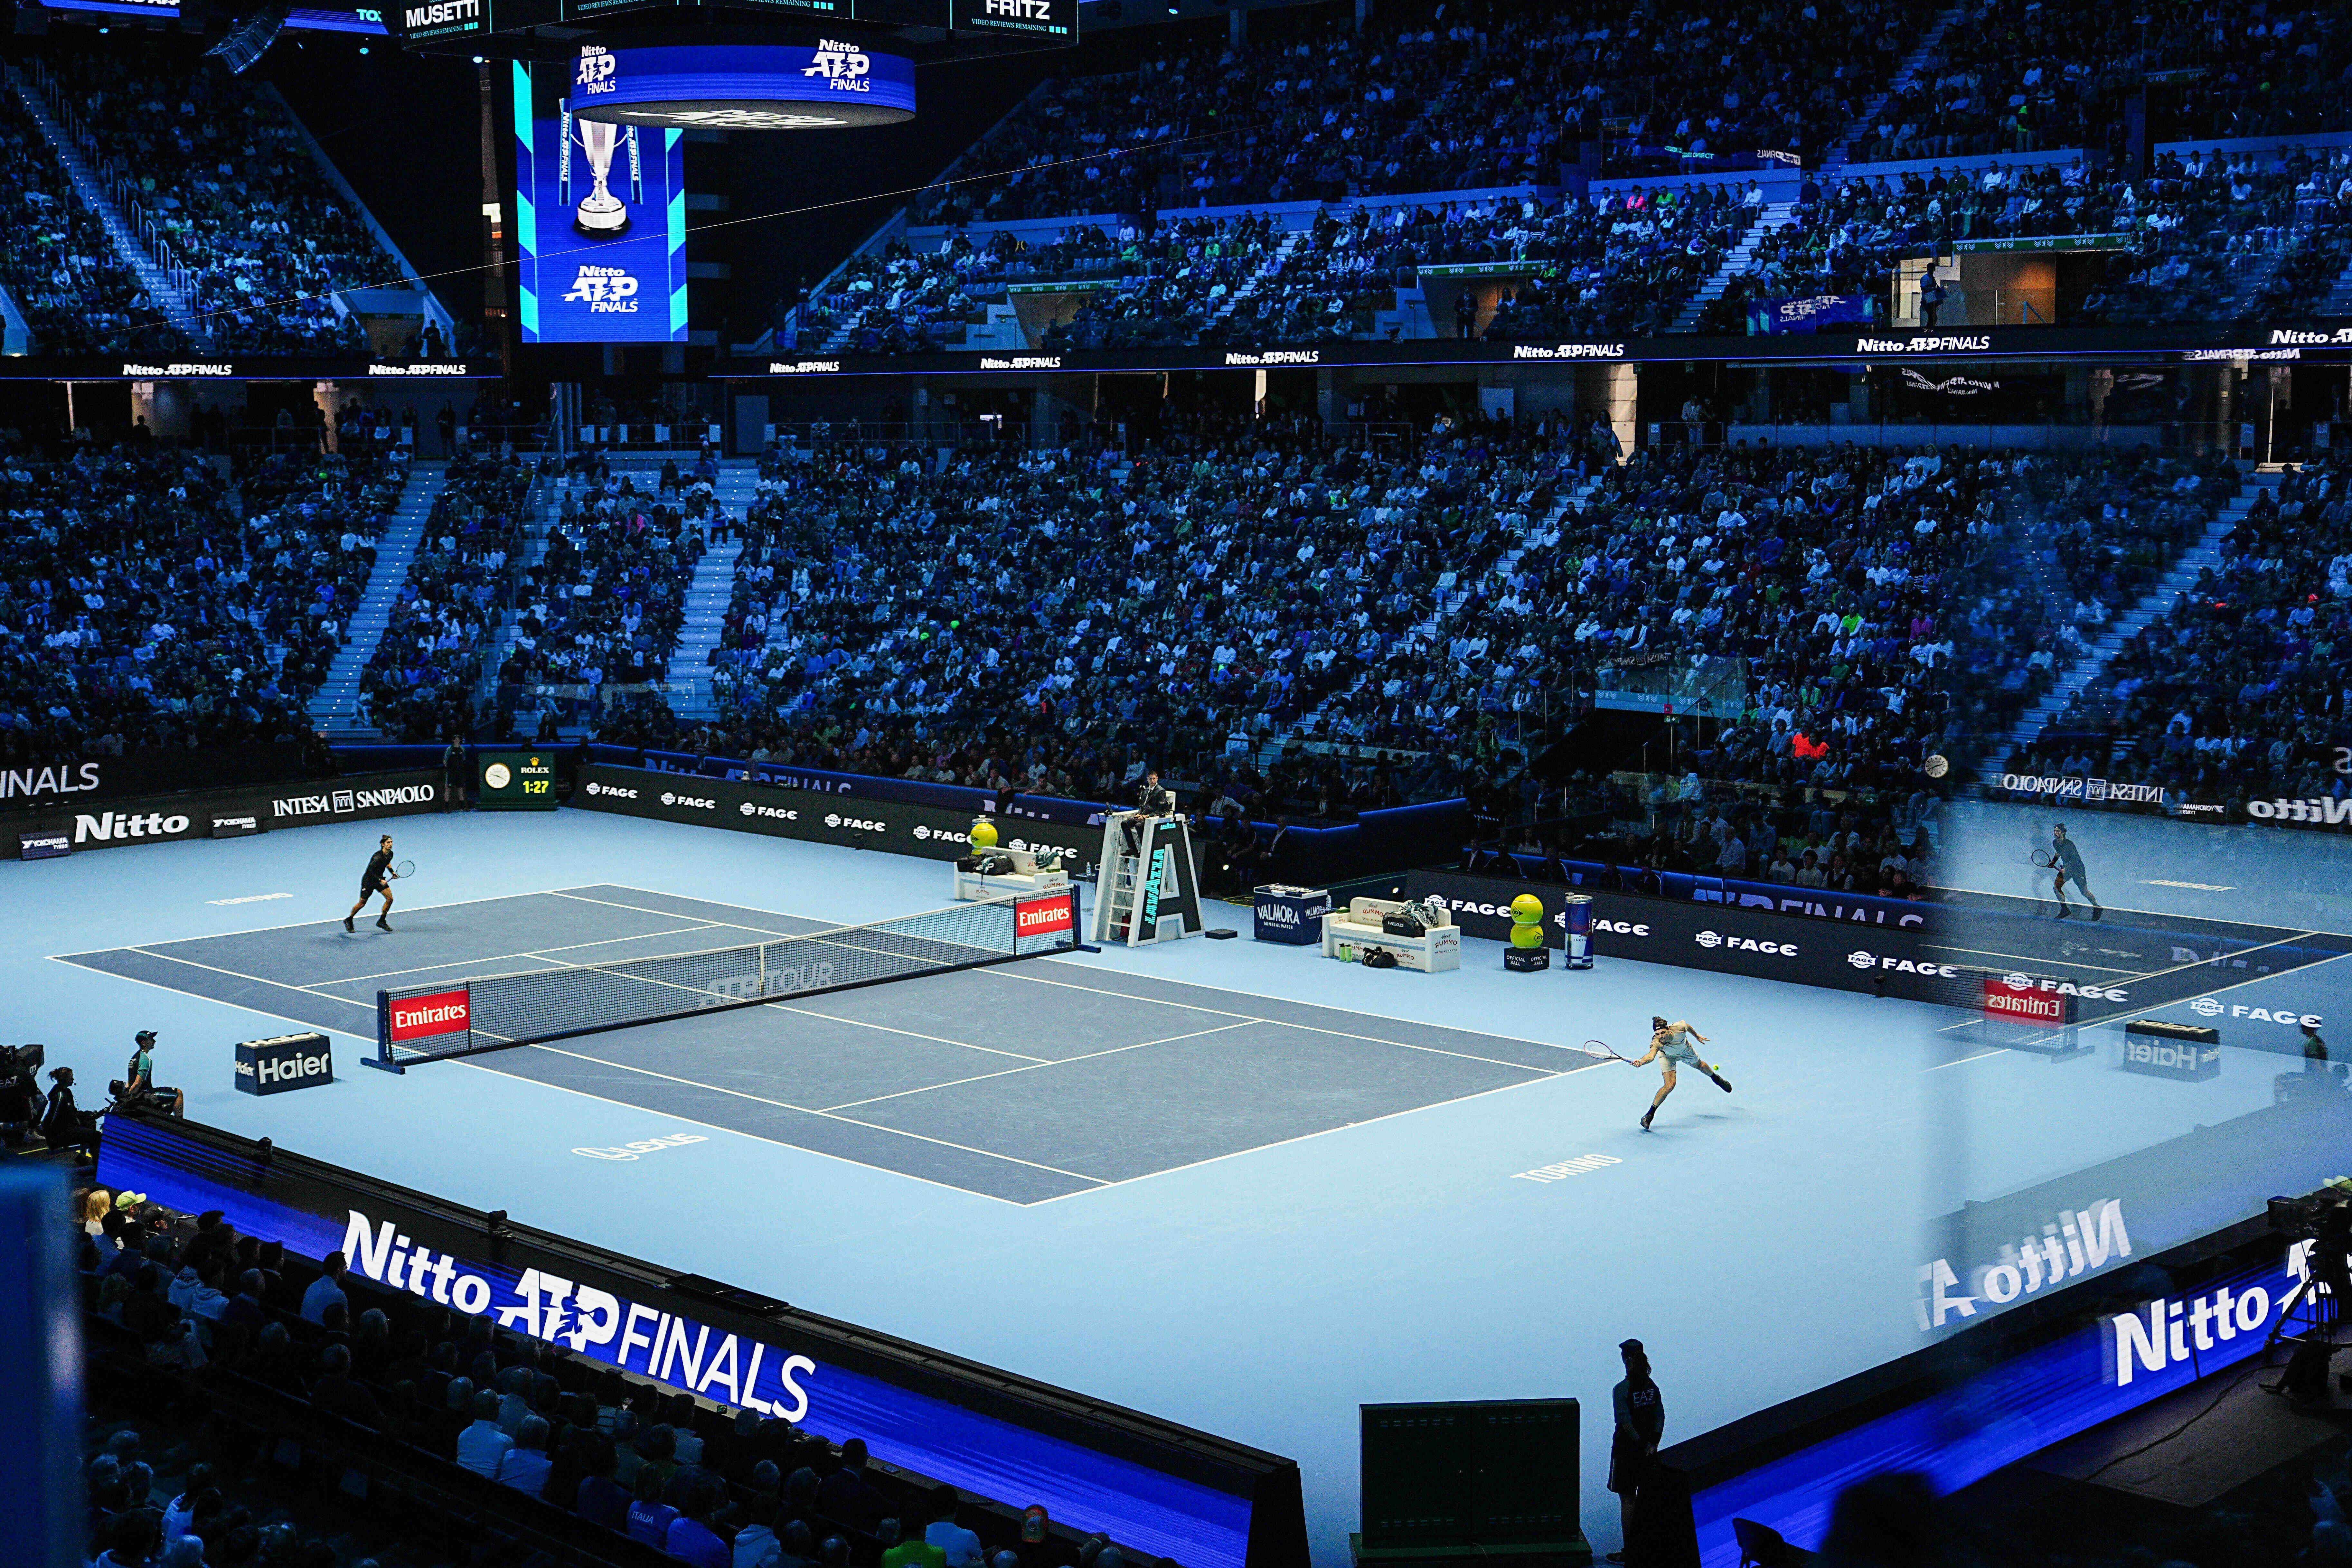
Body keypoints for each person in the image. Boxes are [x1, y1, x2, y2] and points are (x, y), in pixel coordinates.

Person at [1603, 1339, 1664, 1564]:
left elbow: (1625, 1422)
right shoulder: (1651, 1386)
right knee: (1646, 1501)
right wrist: (1653, 1444)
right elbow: (1660, 1415)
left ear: (1627, 1359)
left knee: (1628, 1502)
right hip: (1649, 1452)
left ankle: (1631, 1552)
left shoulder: (1621, 1390)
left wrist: (1640, 1444)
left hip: (1626, 1453)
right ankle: (1645, 1549)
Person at [1630, 1016, 1732, 1131]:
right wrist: (1642, 1062)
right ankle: (1649, 1116)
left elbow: (1688, 1027)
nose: (1661, 1036)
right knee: (1670, 1085)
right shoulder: (1657, 1042)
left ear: (1668, 1029)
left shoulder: (1679, 1028)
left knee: (1700, 1066)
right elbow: (1651, 1056)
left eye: (1663, 1033)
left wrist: (1697, 1036)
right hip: (1668, 1057)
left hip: (1686, 1052)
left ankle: (1717, 1079)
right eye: (1658, 1034)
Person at [347, 834, 400, 933]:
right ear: (383, 844)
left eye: (392, 842)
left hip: (379, 879)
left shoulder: (390, 854)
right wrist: (380, 880)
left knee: (390, 899)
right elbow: (369, 871)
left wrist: (392, 872)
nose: (391, 844)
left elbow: (387, 863)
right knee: (362, 903)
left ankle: (382, 921)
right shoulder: (378, 857)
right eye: (388, 843)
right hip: (369, 881)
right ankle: (349, 919)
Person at [123, 1030, 183, 1117]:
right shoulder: (146, 1059)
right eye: (151, 1039)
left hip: (140, 1094)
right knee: (178, 1093)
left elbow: (130, 1081)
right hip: (146, 1094)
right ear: (144, 1043)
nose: (154, 1041)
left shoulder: (135, 1058)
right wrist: (128, 1100)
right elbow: (137, 1084)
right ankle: (179, 1125)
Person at [42, 1066, 99, 1154]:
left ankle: (82, 1157)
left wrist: (87, 1115)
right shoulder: (60, 1096)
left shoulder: (67, 1092)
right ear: (64, 1079)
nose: (73, 1079)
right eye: (71, 1077)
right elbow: (52, 1117)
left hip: (67, 1128)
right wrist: (51, 1138)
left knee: (91, 1122)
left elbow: (72, 1112)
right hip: (60, 1134)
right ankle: (97, 1164)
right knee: (97, 1136)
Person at [2049, 823, 2101, 921]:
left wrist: (2067, 869)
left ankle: (2097, 908)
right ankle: (2065, 910)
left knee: (2084, 892)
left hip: (2078, 869)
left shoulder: (2069, 845)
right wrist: (2053, 862)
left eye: (2058, 831)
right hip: (2067, 868)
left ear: (2063, 833)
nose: (2056, 833)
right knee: (2057, 887)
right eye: (2055, 831)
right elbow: (2058, 853)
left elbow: (2076, 860)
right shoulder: (2055, 843)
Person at [301, 1250, 351, 1324]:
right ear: (339, 1270)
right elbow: (345, 1325)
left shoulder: (312, 1287)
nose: (346, 1270)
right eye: (345, 1267)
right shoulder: (340, 1295)